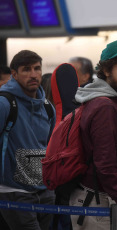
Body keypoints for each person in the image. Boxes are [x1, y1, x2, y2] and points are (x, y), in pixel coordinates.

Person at [68, 39, 117, 230]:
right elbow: (105, 164)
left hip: (97, 197)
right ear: (106, 70)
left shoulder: (109, 99)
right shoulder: (105, 105)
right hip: (98, 201)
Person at [0, 50, 56, 229]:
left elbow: (49, 146)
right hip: (14, 192)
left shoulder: (47, 106)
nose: (33, 74)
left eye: (37, 68)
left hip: (45, 191)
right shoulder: (4, 103)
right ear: (14, 74)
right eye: (26, 69)